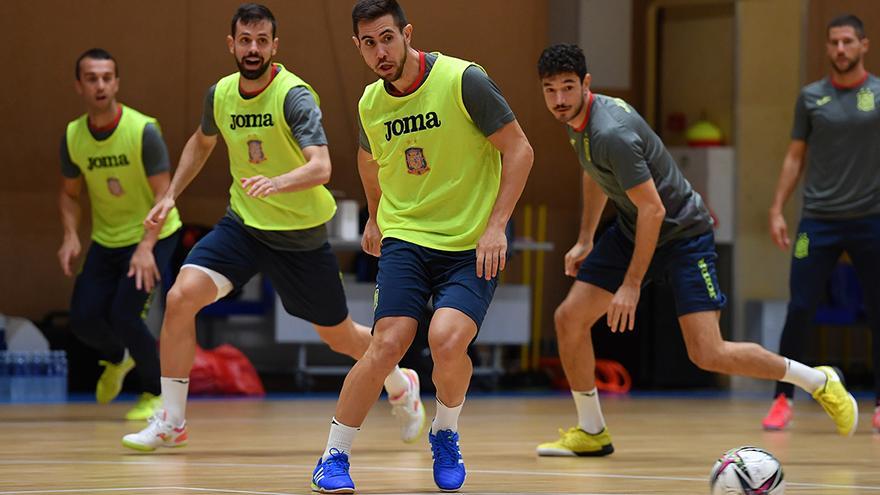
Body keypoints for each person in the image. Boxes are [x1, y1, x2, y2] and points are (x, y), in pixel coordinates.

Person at [121, 3, 424, 451]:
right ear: (232, 44)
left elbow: (320, 166)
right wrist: (169, 196)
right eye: (245, 40)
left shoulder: (293, 95)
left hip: (299, 237)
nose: (253, 48)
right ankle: (172, 419)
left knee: (338, 335)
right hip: (242, 227)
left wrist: (278, 183)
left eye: (262, 41)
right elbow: (201, 142)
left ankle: (400, 383)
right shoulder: (220, 94)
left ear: (274, 46)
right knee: (181, 297)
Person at [534, 43, 859, 457]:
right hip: (635, 228)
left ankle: (818, 382)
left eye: (567, 87)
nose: (559, 99)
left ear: (586, 85)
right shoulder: (580, 122)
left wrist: (632, 284)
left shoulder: (610, 131)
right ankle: (592, 430)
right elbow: (595, 173)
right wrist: (585, 238)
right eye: (550, 90)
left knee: (709, 352)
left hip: (683, 234)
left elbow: (654, 209)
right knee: (569, 319)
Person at [309, 1, 533, 492]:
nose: (380, 51)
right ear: (358, 46)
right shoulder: (370, 102)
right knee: (387, 343)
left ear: (407, 33)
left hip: (472, 240)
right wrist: (373, 214)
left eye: (387, 38)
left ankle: (445, 433)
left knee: (447, 340)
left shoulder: (463, 80)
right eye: (368, 43)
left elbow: (520, 149)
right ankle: (333, 456)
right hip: (407, 237)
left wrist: (497, 225)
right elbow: (370, 162)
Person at [763, 14, 880, 433]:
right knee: (799, 308)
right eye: (833, 43)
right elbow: (795, 156)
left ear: (864, 45)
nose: (840, 50)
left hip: (871, 219)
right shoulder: (811, 97)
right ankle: (783, 399)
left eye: (848, 42)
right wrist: (778, 208)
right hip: (818, 221)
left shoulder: (878, 94)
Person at [58, 48, 182, 421]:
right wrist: (70, 234)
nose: (100, 85)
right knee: (82, 318)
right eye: (92, 78)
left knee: (126, 315)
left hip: (155, 235)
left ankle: (154, 393)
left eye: (107, 78)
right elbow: (68, 193)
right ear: (79, 85)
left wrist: (145, 247)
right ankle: (118, 357)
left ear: (116, 83)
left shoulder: (142, 130)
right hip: (107, 237)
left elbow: (165, 196)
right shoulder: (73, 136)